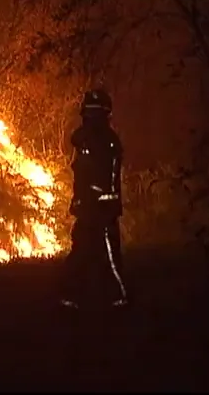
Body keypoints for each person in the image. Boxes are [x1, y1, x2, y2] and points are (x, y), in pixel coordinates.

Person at [61, 89, 129, 310]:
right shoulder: (90, 142)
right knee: (81, 252)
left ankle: (119, 298)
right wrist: (80, 200)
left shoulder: (107, 144)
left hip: (103, 209)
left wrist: (99, 201)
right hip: (90, 207)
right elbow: (80, 171)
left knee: (108, 257)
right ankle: (72, 298)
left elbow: (105, 178)